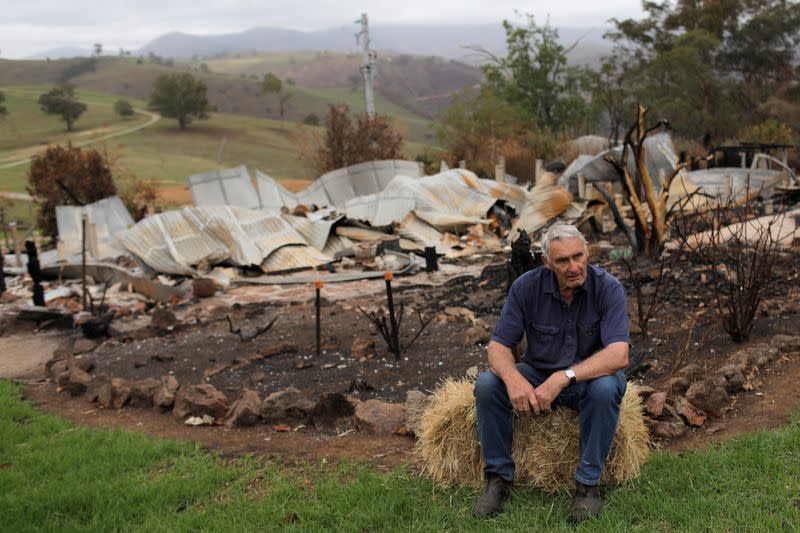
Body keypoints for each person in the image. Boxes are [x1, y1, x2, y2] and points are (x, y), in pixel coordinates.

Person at [473, 224, 629, 524]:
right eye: (562, 261)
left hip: (588, 378)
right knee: (487, 384)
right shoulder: (525, 287)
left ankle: (587, 486)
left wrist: (563, 378)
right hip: (537, 373)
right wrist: (514, 379)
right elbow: (498, 347)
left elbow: (618, 354)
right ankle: (498, 479)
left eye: (578, 256)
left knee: (606, 388)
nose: (574, 267)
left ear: (587, 252)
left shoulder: (608, 288)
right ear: (546, 262)